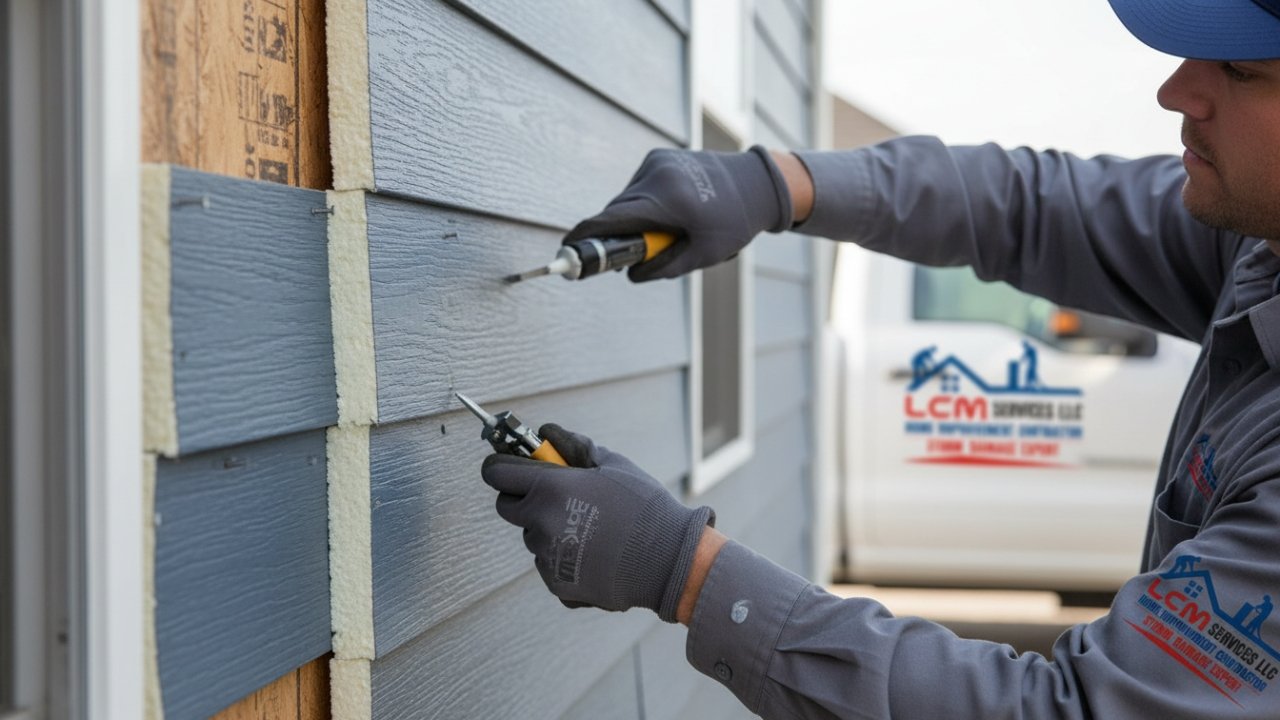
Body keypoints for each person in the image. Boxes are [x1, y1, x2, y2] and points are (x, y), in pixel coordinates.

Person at [479, 0, 1280, 717]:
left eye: (1241, 69)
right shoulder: (1261, 247)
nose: (1174, 90)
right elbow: (1028, 208)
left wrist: (682, 572)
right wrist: (779, 184)